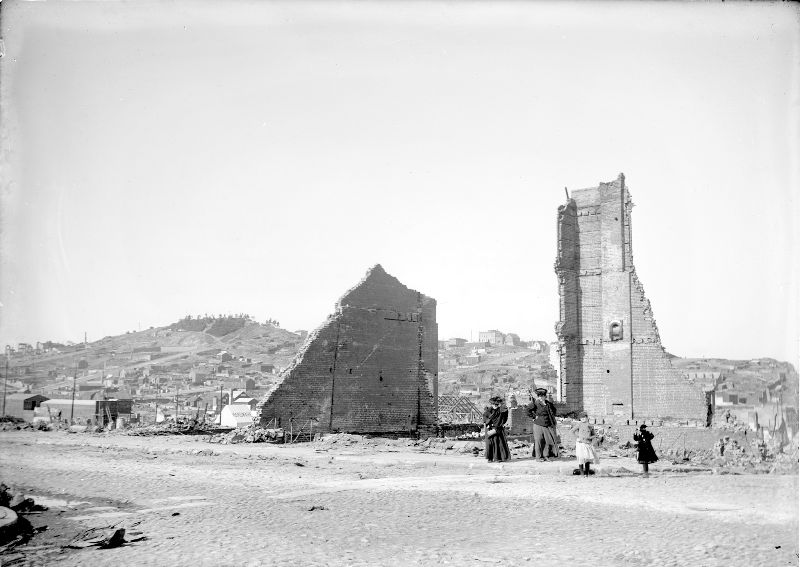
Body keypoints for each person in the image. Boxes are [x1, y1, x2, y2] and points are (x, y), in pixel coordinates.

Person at [527, 388, 559, 461]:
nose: (541, 397)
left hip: (547, 425)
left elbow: (554, 411)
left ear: (545, 396)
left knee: (547, 441)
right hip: (538, 425)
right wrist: (534, 416)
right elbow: (527, 410)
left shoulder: (548, 404)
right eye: (539, 396)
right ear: (538, 396)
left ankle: (546, 456)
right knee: (538, 441)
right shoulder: (535, 403)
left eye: (542, 396)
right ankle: (538, 457)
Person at [483, 396, 511, 462]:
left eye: (497, 405)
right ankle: (490, 458)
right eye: (494, 405)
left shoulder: (501, 411)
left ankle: (497, 458)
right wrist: (489, 424)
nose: (495, 406)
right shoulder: (488, 411)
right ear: (492, 404)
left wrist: (499, 425)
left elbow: (504, 418)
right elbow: (485, 419)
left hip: (498, 428)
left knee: (498, 443)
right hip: (490, 428)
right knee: (490, 443)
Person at [570, 412, 599, 477]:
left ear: (587, 418)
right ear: (580, 419)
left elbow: (593, 434)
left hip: (587, 444)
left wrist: (593, 438)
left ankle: (586, 473)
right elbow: (572, 431)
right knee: (581, 458)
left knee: (587, 459)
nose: (583, 419)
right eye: (581, 418)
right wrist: (578, 436)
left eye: (584, 417)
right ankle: (582, 473)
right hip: (580, 444)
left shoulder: (590, 425)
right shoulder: (579, 424)